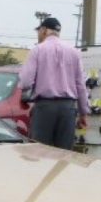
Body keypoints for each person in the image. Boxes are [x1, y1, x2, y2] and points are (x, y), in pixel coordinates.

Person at [18, 17, 89, 149]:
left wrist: (25, 91)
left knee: (40, 152)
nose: (38, 34)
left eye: (38, 31)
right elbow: (81, 85)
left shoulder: (37, 50)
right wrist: (83, 113)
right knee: (64, 155)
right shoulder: (74, 52)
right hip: (68, 109)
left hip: (44, 107)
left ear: (44, 30)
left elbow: (26, 81)